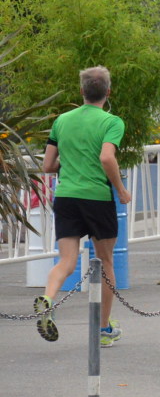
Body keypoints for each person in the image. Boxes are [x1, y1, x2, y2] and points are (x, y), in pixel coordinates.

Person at [35, 66, 133, 346]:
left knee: (66, 260)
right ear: (108, 92)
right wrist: (121, 190)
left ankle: (47, 300)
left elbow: (48, 165)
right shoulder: (111, 122)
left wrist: (72, 164)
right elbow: (106, 158)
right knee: (105, 263)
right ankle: (103, 329)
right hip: (97, 198)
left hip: (66, 195)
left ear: (81, 91)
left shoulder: (62, 121)